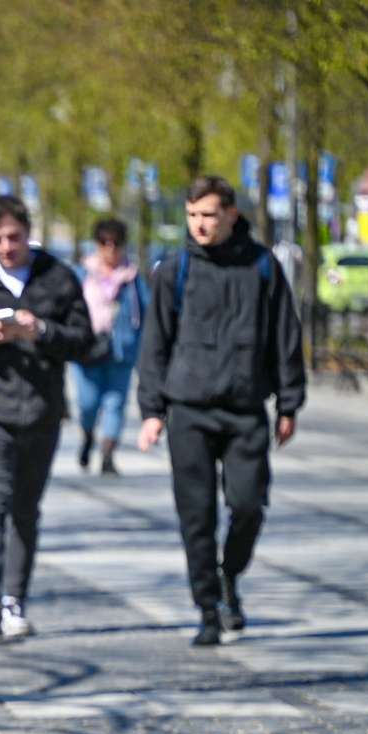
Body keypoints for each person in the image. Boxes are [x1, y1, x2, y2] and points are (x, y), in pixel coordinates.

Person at [136, 175, 305, 647]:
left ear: (231, 214)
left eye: (209, 214)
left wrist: (289, 402)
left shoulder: (263, 267)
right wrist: (152, 410)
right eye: (192, 215)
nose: (200, 224)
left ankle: (230, 576)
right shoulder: (174, 270)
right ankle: (208, 609)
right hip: (188, 410)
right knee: (197, 517)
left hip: (245, 409)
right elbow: (155, 344)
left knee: (249, 505)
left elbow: (285, 339)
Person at [0, 194, 94, 641]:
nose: (7, 247)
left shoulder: (58, 278)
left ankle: (15, 600)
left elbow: (84, 341)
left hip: (41, 412)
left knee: (26, 511)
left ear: (29, 234)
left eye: (14, 237)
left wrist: (41, 331)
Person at [72, 218, 149, 476]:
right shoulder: (81, 274)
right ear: (97, 244)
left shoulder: (133, 278)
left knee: (116, 403)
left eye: (116, 244)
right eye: (105, 243)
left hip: (121, 350)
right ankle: (87, 435)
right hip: (87, 350)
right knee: (88, 403)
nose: (111, 249)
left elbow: (147, 313)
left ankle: (107, 454)